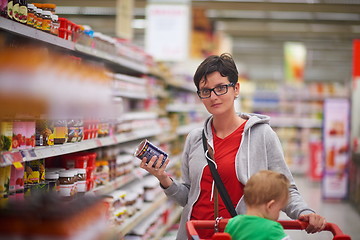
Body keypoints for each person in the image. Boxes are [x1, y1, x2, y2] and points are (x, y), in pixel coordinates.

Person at [140, 53, 326, 240]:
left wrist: (304, 212)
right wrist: (163, 178)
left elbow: (285, 188)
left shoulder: (262, 135)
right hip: (195, 235)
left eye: (221, 88)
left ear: (236, 89)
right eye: (206, 91)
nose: (213, 97)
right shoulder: (195, 138)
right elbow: (188, 198)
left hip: (240, 235)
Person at [224, 170, 291, 240]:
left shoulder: (233, 224)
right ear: (270, 206)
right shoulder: (273, 229)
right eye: (279, 210)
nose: (278, 215)